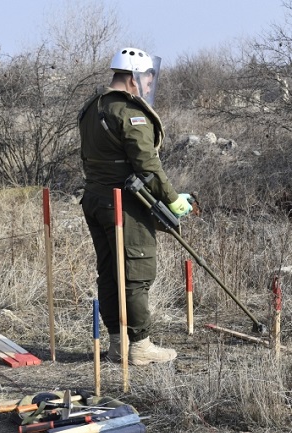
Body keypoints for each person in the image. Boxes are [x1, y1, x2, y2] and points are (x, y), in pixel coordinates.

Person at [78, 47, 192, 365]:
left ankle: (118, 344)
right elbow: (148, 165)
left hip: (95, 199)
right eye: (147, 79)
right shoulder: (129, 113)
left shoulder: (93, 107)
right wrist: (172, 199)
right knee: (135, 273)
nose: (148, 85)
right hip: (124, 205)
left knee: (109, 273)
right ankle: (140, 345)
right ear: (132, 78)